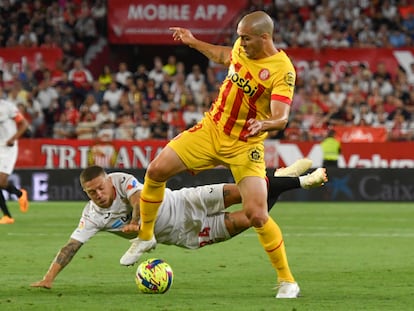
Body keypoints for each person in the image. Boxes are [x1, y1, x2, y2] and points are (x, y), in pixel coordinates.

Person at [121, 11, 299, 298]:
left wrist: (265, 123)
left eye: (246, 37)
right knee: (155, 171)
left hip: (245, 144)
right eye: (239, 36)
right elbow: (224, 55)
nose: (240, 42)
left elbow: (281, 116)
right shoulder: (242, 48)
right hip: (211, 129)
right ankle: (145, 236)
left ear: (264, 37)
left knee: (256, 213)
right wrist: (193, 41)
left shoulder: (282, 69)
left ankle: (287, 280)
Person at [30, 161, 327, 290]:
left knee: (242, 191)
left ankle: (300, 181)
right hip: (186, 235)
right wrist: (49, 278)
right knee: (251, 217)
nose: (98, 194)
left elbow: (138, 200)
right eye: (91, 192)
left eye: (100, 187)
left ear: (108, 180)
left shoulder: (121, 180)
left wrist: (136, 224)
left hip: (185, 202)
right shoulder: (92, 215)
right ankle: (283, 175)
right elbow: (72, 246)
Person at [0, 98, 30, 224]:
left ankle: (19, 194)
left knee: (0, 181)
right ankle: (7, 216)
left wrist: (13, 139)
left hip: (7, 148)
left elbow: (24, 124)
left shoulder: (7, 107)